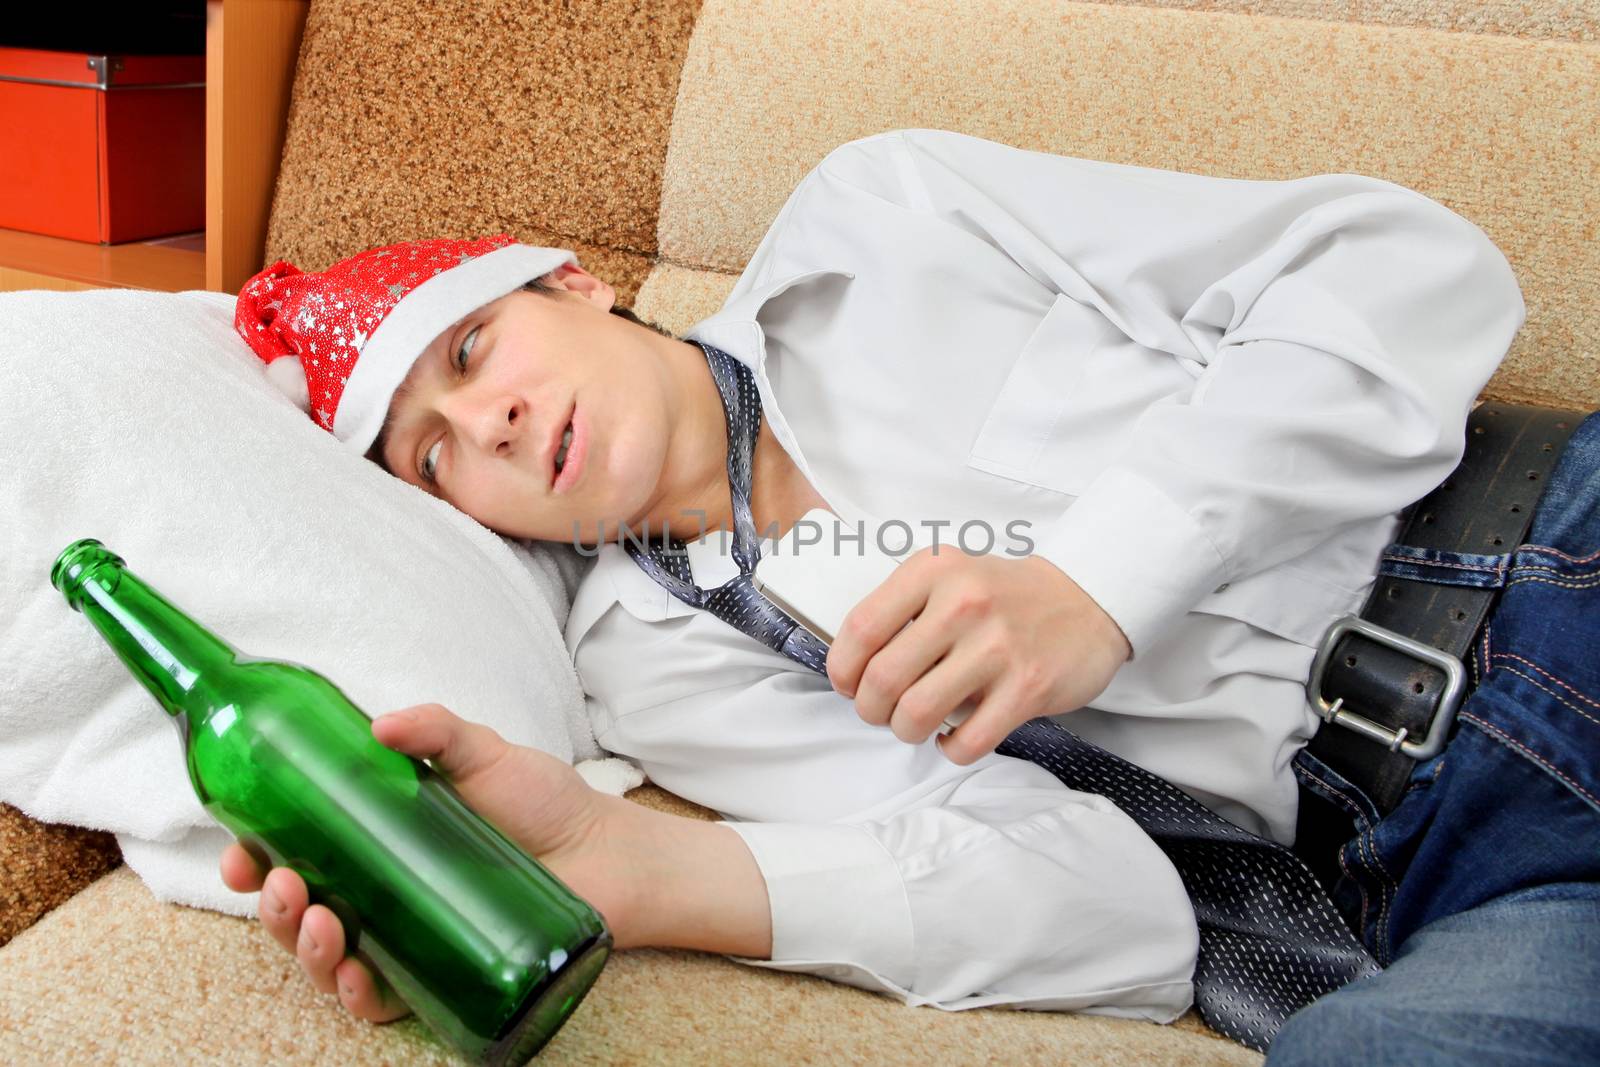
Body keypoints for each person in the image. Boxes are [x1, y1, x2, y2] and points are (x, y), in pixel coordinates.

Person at [224, 128, 1599, 1062]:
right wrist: (647, 874)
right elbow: (1105, 905)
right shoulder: (649, 667)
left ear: (574, 284)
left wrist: (1098, 583)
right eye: (436, 454)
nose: (497, 426)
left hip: (1551, 562)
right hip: (1449, 884)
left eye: (477, 350)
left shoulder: (878, 216)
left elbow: (1408, 271)